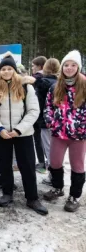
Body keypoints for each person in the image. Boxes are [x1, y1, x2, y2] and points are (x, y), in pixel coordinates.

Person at [0, 53, 48, 215]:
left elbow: (34, 110)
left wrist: (19, 129)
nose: (7, 72)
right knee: (4, 164)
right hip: (3, 134)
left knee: (27, 165)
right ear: (0, 72)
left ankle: (32, 197)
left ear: (15, 70)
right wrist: (0, 129)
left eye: (10, 69)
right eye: (4, 69)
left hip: (23, 133)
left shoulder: (26, 87)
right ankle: (7, 193)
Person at [43, 50, 86, 212]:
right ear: (61, 68)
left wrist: (82, 127)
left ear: (78, 67)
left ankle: (74, 196)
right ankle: (57, 188)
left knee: (77, 165)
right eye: (66, 65)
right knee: (54, 163)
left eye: (73, 65)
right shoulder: (55, 86)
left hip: (78, 135)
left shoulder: (84, 85)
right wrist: (51, 122)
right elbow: (48, 107)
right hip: (58, 133)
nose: (69, 68)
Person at [34, 58, 60, 186]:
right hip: (59, 121)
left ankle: (53, 177)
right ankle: (54, 175)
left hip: (45, 120)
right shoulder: (60, 82)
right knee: (55, 149)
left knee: (49, 149)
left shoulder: (42, 83)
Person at [31, 56, 48, 173]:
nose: (32, 68)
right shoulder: (49, 78)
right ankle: (47, 162)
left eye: (33, 65)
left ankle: (42, 164)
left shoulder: (37, 78)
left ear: (40, 67)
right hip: (46, 114)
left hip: (38, 115)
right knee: (46, 141)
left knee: (38, 139)